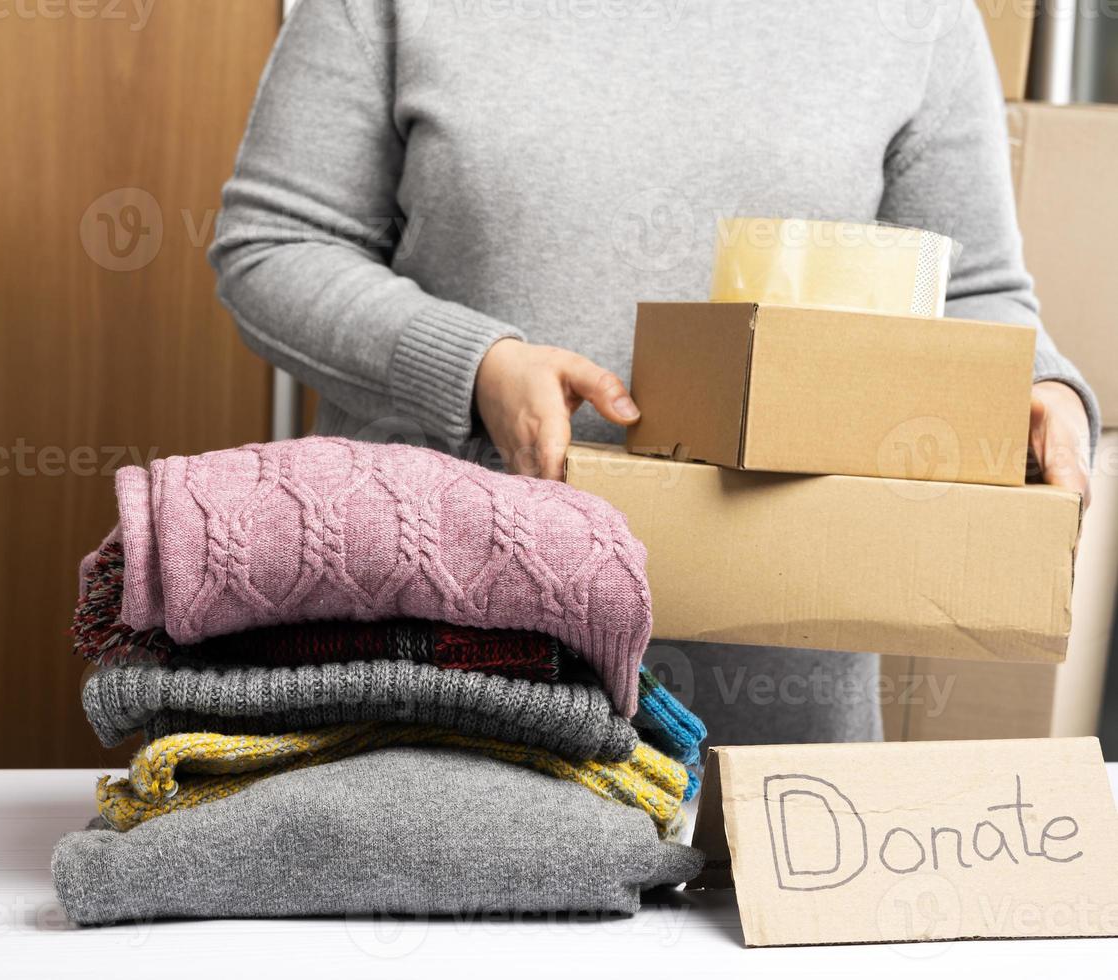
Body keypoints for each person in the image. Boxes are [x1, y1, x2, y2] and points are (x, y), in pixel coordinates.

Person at [209, 0, 1098, 747]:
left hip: (776, 684)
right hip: (444, 637)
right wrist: (474, 365)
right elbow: (276, 247)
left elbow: (970, 283)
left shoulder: (915, 12)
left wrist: (1038, 387)